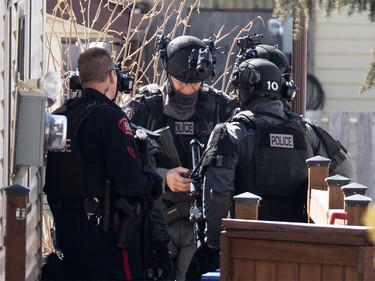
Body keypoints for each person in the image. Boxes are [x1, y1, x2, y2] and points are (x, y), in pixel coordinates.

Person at [185, 57, 353, 280]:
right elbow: (345, 171)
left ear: (244, 90)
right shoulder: (306, 131)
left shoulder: (230, 133)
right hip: (300, 251)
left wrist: (213, 243)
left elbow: (218, 196)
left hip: (246, 251)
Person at [122, 35, 239, 281]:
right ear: (167, 72)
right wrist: (164, 177)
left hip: (202, 225)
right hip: (155, 221)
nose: (188, 89)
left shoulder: (220, 107)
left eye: (195, 84)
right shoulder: (148, 106)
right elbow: (121, 157)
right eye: (181, 83)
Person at [43, 47, 164, 280]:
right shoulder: (111, 117)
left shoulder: (62, 114)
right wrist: (154, 179)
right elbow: (129, 182)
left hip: (66, 227)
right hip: (105, 232)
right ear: (111, 76)